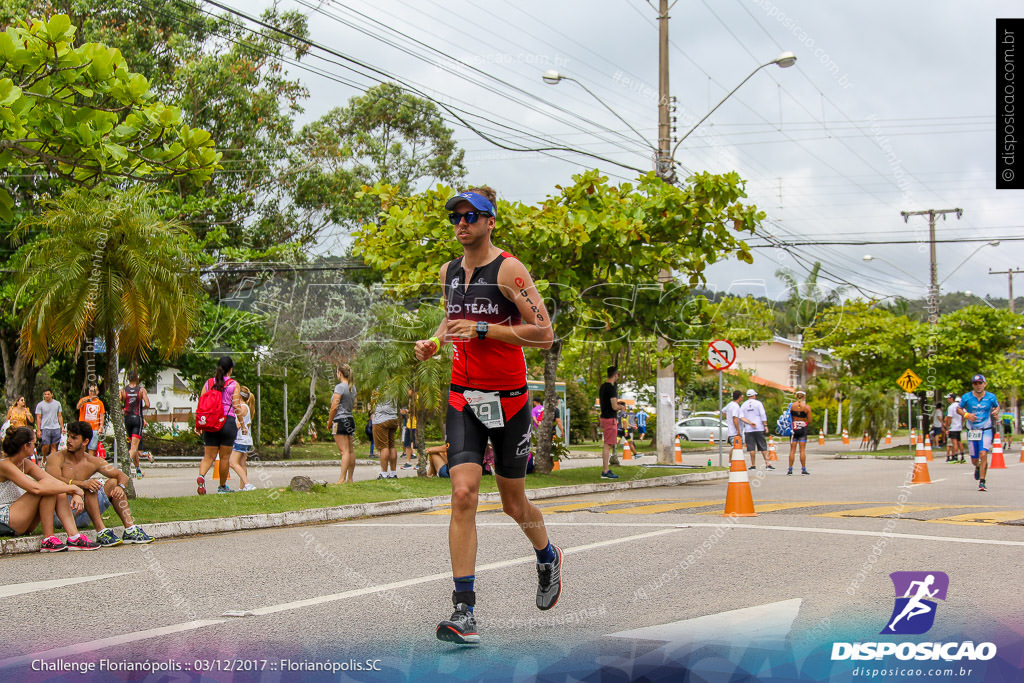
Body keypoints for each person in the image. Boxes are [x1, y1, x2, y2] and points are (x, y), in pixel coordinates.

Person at [414, 185, 558, 645]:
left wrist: (484, 329)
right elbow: (451, 319)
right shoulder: (449, 272)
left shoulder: (510, 270)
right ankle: (464, 610)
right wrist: (435, 342)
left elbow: (544, 333)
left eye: (471, 216)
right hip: (463, 398)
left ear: (490, 221)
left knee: (514, 504)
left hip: (511, 402)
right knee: (462, 494)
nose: (462, 224)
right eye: (455, 217)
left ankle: (547, 554)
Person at [46, 421, 153, 545]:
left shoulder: (93, 461)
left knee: (112, 482)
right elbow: (52, 479)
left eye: (74, 438)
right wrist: (82, 484)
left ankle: (130, 530)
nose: (69, 440)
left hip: (83, 513)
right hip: (61, 514)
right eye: (68, 436)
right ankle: (101, 532)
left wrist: (120, 486)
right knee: (89, 485)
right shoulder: (56, 457)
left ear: (85, 442)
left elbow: (122, 476)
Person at [0, 426, 98, 551]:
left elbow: (54, 482)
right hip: (5, 518)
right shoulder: (5, 465)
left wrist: (76, 492)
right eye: (35, 443)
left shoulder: (25, 464)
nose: (36, 446)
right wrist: (75, 489)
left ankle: (74, 536)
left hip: (21, 520)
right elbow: (35, 489)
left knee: (54, 488)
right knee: (47, 486)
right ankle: (48, 539)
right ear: (26, 446)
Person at [196, 356, 242, 495]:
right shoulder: (234, 384)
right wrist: (243, 424)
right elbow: (237, 406)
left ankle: (201, 476)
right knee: (224, 458)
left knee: (208, 457)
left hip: (210, 423)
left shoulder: (209, 383)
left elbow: (201, 404)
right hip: (227, 422)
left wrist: (198, 424)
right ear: (231, 369)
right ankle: (222, 486)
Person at [957, 374, 1000, 492]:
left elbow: (997, 407)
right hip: (972, 431)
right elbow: (958, 409)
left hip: (986, 430)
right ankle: (977, 467)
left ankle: (982, 481)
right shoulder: (967, 397)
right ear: (973, 385)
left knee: (983, 454)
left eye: (980, 383)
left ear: (985, 384)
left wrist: (996, 412)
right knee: (974, 459)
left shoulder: (991, 397)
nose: (978, 386)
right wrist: (967, 415)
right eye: (975, 383)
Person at [328, 365, 357, 484]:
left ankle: (341, 479)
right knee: (350, 451)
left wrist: (330, 421)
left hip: (340, 420)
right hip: (350, 419)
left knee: (344, 451)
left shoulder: (339, 387)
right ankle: (350, 478)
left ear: (339, 373)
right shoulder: (352, 388)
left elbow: (334, 406)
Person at [120, 370, 151, 479]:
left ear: (128, 378)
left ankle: (138, 470)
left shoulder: (123, 391)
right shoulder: (141, 390)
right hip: (137, 419)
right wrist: (140, 408)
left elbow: (118, 405)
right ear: (137, 378)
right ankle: (125, 466)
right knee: (133, 448)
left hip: (127, 419)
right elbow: (147, 404)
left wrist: (124, 409)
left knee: (133, 447)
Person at [229, 386, 256, 492]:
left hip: (241, 440)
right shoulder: (246, 407)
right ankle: (242, 487)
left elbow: (239, 425)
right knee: (242, 464)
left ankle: (248, 484)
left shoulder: (242, 407)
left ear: (239, 395)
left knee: (233, 463)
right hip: (246, 440)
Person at [598, 366, 622, 479]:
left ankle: (606, 469)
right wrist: (621, 407)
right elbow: (614, 405)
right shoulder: (611, 388)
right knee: (608, 445)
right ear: (615, 375)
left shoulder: (603, 387)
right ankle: (605, 470)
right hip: (610, 418)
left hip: (604, 417)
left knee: (609, 444)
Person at [739, 388, 770, 469]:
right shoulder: (758, 403)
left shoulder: (743, 405)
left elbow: (741, 417)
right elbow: (763, 414)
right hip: (759, 427)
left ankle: (753, 465)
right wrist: (765, 425)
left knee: (751, 448)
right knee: (763, 446)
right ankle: (767, 464)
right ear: (754, 395)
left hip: (748, 429)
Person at [372, 395, 400, 480]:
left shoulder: (378, 386)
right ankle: (393, 473)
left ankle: (384, 473)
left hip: (381, 419)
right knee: (392, 446)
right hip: (393, 418)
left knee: (383, 447)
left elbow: (373, 402)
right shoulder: (394, 384)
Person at [34, 389, 64, 468]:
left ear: (51, 394)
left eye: (48, 394)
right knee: (46, 445)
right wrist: (38, 430)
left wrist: (62, 427)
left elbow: (60, 416)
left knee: (54, 446)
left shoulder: (57, 404)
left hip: (55, 427)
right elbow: (38, 417)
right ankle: (44, 457)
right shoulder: (40, 405)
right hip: (45, 427)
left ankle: (52, 462)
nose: (46, 396)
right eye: (45, 394)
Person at [76, 383, 106, 458]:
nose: (92, 393)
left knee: (92, 448)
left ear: (97, 392)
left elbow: (102, 415)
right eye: (90, 391)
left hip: (94, 428)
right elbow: (78, 407)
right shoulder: (84, 399)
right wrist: (83, 402)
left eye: (94, 391)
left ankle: (89, 464)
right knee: (82, 446)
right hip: (83, 427)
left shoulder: (100, 403)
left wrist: (101, 427)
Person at [787, 390, 812, 475]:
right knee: (802, 450)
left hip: (793, 428)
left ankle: (790, 469)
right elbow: (810, 420)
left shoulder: (791, 406)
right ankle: (803, 469)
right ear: (804, 397)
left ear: (796, 396)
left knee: (792, 450)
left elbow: (788, 417)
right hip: (802, 428)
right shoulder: (806, 407)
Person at [944, 392, 964, 463]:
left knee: (954, 442)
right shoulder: (960, 406)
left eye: (948, 398)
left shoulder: (951, 407)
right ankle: (962, 456)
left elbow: (949, 418)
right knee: (959, 441)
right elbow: (963, 415)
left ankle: (955, 456)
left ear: (952, 399)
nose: (947, 400)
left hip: (953, 427)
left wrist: (948, 426)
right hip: (959, 426)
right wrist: (961, 423)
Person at [401, 389, 419, 470]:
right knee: (407, 445)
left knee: (417, 446)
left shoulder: (418, 399)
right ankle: (408, 463)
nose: (407, 391)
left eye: (408, 389)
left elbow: (417, 411)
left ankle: (420, 463)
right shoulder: (410, 400)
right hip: (409, 425)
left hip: (416, 425)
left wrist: (407, 411)